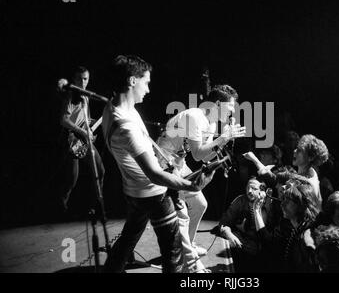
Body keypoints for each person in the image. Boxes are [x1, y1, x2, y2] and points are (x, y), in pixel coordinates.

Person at [102, 55, 213, 273]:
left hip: (133, 191)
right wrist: (191, 186)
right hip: (153, 194)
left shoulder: (112, 108)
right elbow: (154, 174)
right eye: (146, 82)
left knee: (127, 239)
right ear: (132, 81)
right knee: (173, 253)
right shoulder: (126, 126)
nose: (149, 89)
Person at [156, 84, 246, 255]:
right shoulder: (194, 116)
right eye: (230, 107)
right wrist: (224, 137)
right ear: (218, 104)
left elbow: (205, 156)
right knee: (181, 212)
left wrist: (224, 141)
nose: (232, 111)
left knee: (199, 204)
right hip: (163, 162)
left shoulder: (211, 123)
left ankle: (188, 244)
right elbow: (197, 155)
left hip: (178, 163)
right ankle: (185, 254)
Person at [57, 66, 105, 214]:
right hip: (72, 138)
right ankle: (61, 206)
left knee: (100, 170)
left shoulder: (85, 96)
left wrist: (90, 127)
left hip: (83, 138)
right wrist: (84, 131)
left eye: (86, 79)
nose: (83, 82)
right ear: (74, 79)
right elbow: (64, 120)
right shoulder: (71, 95)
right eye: (79, 78)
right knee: (72, 178)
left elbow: (84, 118)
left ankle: (95, 206)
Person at [253, 176, 320, 272]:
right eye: (284, 199)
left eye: (288, 201)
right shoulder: (296, 227)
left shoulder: (306, 235)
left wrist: (256, 209)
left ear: (301, 204)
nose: (282, 204)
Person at [217, 177, 269, 272]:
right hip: (243, 243)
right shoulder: (240, 201)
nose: (249, 191)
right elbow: (223, 223)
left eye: (254, 188)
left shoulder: (269, 206)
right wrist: (229, 234)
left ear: (262, 191)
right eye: (248, 187)